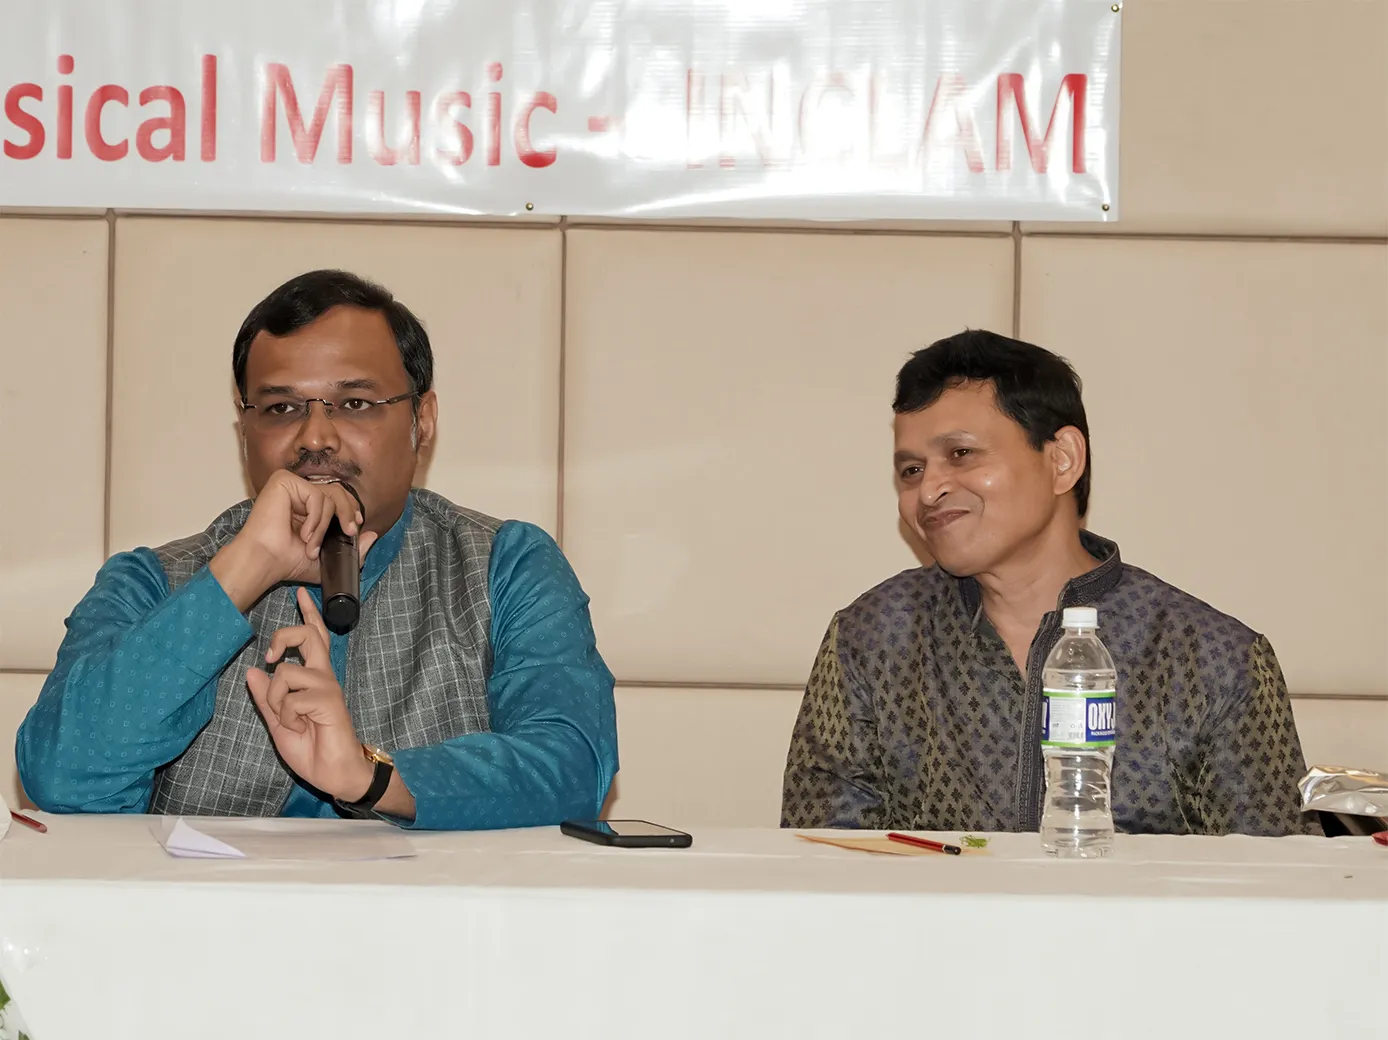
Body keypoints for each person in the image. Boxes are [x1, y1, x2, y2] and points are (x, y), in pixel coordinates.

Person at [18, 270, 617, 829]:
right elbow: (62, 776)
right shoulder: (153, 583)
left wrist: (369, 777)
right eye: (281, 408)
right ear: (245, 432)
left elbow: (572, 767)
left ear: (423, 419)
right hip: (211, 908)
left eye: (354, 404)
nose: (315, 437)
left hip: (435, 910)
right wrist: (242, 573)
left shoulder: (505, 566)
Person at [781, 329, 1316, 836]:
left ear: (1062, 460)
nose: (928, 491)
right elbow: (821, 866)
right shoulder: (873, 638)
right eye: (912, 470)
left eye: (961, 454)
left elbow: (1273, 883)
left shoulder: (1213, 658)